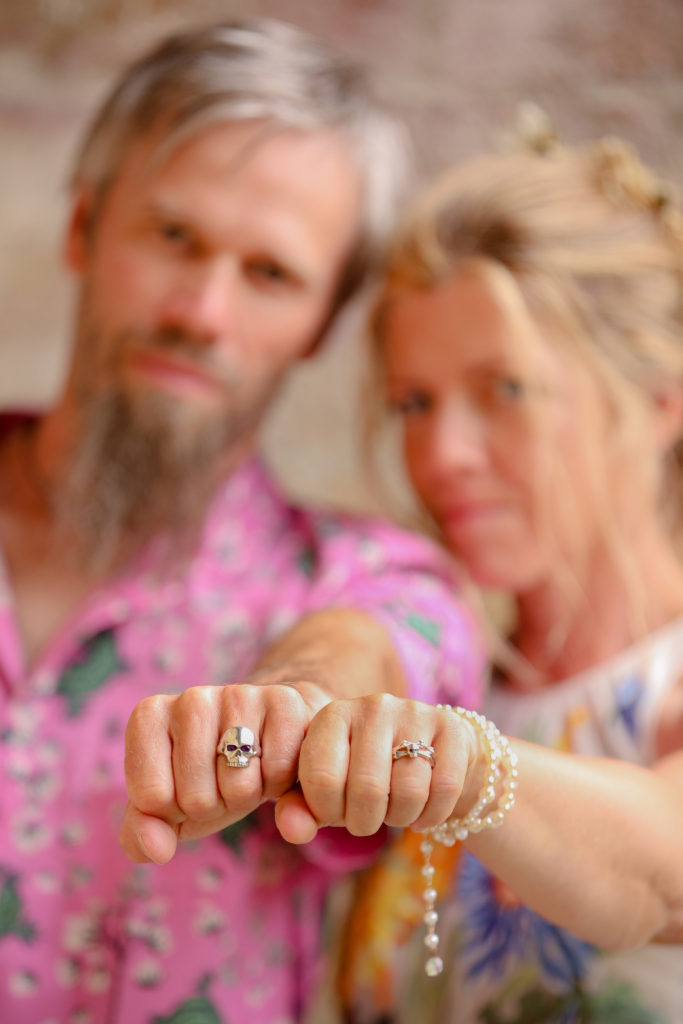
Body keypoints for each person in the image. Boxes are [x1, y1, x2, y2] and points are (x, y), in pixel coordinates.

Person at [0, 18, 485, 1024]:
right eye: (174, 237)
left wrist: (304, 697)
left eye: (270, 274)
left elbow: (387, 658)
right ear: (85, 227)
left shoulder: (363, 576)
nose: (202, 311)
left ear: (322, 323)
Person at [270, 133, 683, 1023]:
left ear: (656, 401)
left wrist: (447, 758)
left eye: (503, 389)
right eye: (413, 403)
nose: (440, 455)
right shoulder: (443, 684)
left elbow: (655, 872)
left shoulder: (664, 694)